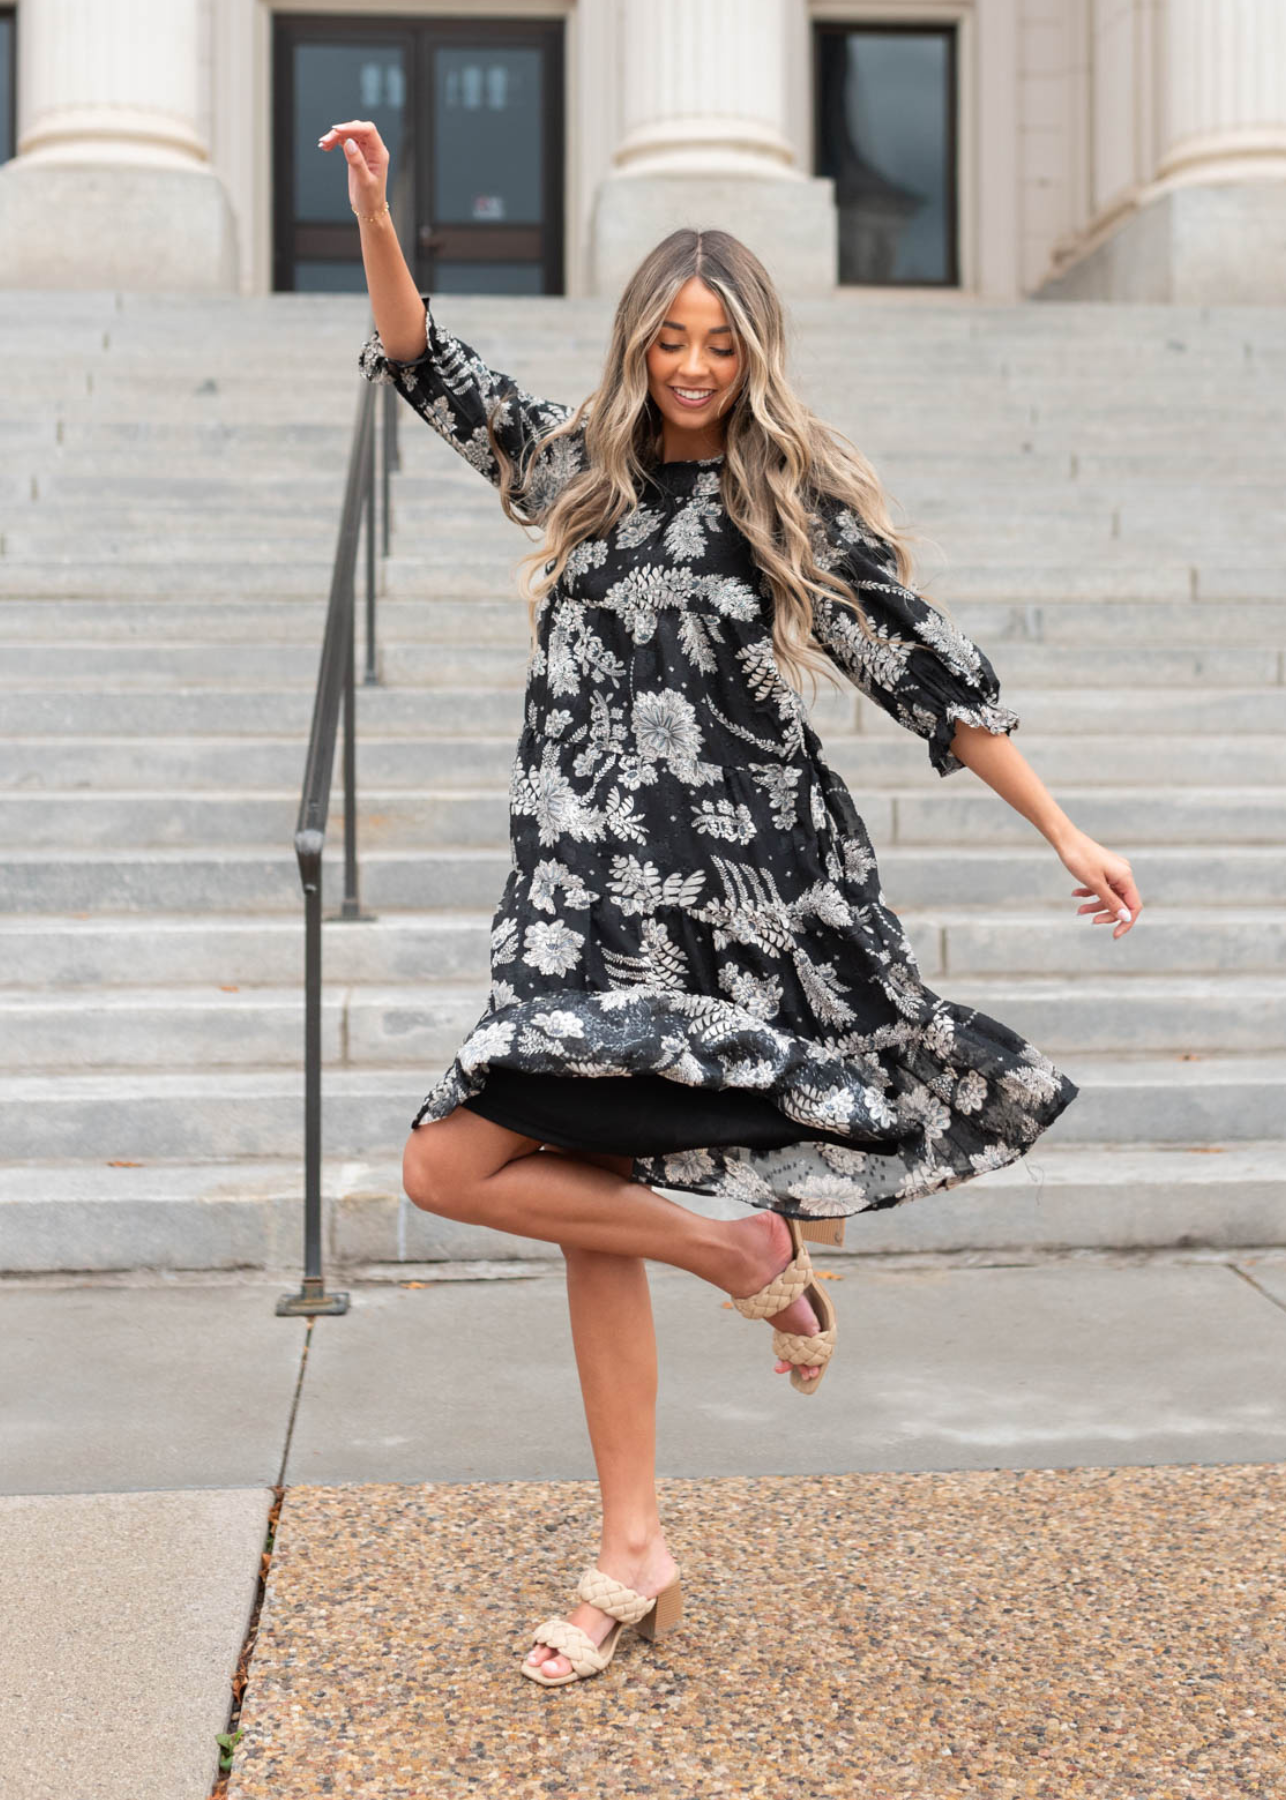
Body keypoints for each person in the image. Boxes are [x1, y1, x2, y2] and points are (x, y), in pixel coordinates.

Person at [320, 118, 1142, 1688]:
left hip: (717, 904)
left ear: (753, 354)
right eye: (670, 340)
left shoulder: (787, 504)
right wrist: (374, 212)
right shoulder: (572, 466)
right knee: (458, 1169)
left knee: (523, 1186)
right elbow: (424, 360)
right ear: (637, 342)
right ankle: (730, 1282)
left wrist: (1065, 830)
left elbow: (920, 666)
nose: (692, 366)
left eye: (718, 345)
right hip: (565, 906)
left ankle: (635, 1537)